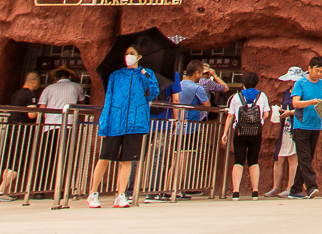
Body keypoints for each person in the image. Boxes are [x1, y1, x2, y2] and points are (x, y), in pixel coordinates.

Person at [89, 43, 158, 208]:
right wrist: (104, 124)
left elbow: (152, 93)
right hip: (115, 122)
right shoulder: (116, 76)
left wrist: (145, 76)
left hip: (135, 123)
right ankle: (93, 192)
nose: (129, 56)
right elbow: (109, 100)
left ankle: (121, 194)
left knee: (127, 160)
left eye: (132, 53)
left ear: (139, 57)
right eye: (127, 53)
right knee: (104, 158)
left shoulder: (147, 74)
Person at [168, 61, 226, 201]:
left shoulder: (179, 84)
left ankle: (169, 188)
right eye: (200, 73)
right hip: (190, 128)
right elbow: (207, 104)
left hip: (178, 127)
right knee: (184, 159)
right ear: (197, 73)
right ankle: (177, 190)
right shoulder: (197, 87)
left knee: (176, 159)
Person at [0, 72, 42, 201]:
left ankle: (4, 192)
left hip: (11, 129)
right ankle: (0, 191)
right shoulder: (30, 94)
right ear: (35, 81)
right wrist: (39, 110)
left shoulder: (16, 93)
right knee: (17, 163)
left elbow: (7, 109)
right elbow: (32, 114)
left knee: (9, 161)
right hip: (22, 131)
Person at [287, 55, 322, 199]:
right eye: (316, 71)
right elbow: (295, 103)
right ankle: (312, 187)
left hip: (316, 125)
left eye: (321, 71)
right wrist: (311, 102)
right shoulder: (300, 84)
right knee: (305, 157)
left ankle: (295, 190)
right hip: (301, 125)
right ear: (309, 69)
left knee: (307, 158)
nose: (319, 74)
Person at [35, 66, 85, 193]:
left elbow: (41, 107)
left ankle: (41, 189)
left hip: (50, 126)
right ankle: (62, 189)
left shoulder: (48, 88)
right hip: (68, 126)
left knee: (46, 158)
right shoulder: (76, 87)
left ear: (56, 78)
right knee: (65, 157)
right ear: (69, 77)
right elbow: (82, 103)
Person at [221, 76, 271, 199]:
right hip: (256, 132)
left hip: (240, 132)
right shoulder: (262, 96)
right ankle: (255, 192)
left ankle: (236, 192)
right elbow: (267, 114)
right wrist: (259, 121)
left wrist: (225, 133)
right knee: (253, 160)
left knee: (239, 160)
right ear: (256, 84)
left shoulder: (236, 96)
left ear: (243, 84)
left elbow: (230, 116)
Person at [265, 70, 300, 196]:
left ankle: (290, 187)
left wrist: (290, 113)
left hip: (296, 127)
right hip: (284, 128)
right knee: (278, 158)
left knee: (293, 159)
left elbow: (304, 110)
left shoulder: (301, 93)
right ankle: (276, 187)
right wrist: (280, 111)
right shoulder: (286, 93)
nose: (289, 82)